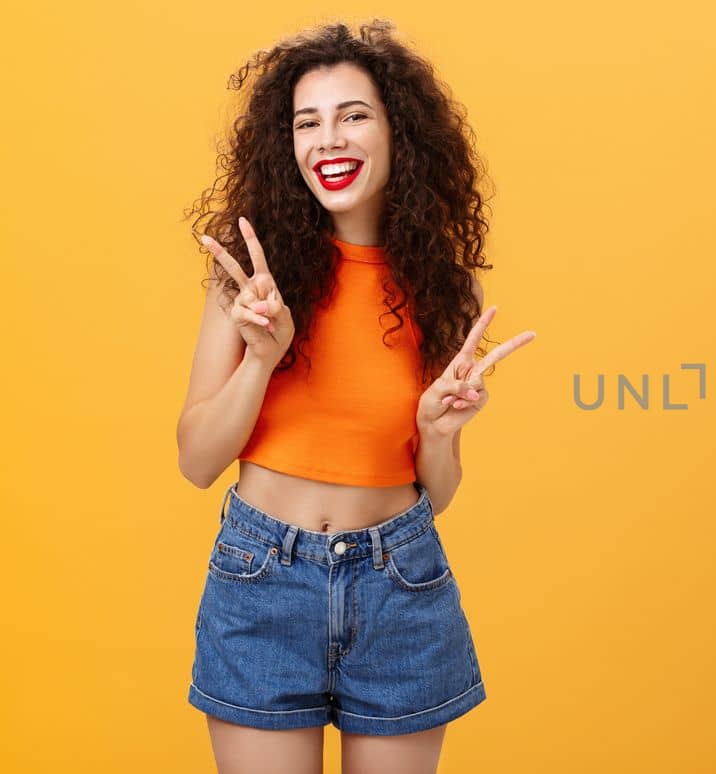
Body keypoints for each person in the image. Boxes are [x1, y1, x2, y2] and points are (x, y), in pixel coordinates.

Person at [175, 19, 534, 773]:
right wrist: (260, 360)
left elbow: (432, 496)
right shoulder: (250, 278)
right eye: (308, 123)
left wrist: (440, 432)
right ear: (288, 146)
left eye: (353, 115)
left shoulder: (445, 284)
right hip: (261, 581)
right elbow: (198, 460)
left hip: (400, 584)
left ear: (399, 131)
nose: (328, 139)